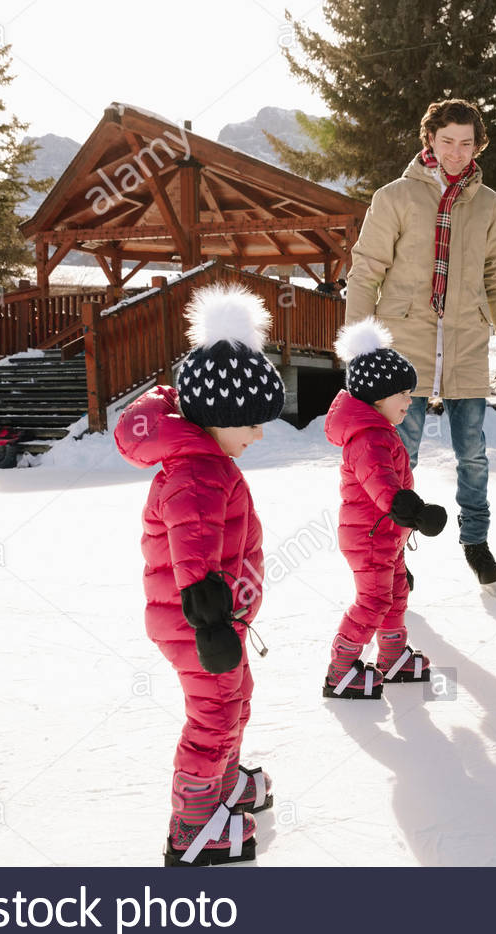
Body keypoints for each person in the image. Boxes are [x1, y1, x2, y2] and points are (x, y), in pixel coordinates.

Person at [114, 284, 286, 865]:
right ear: (221, 416)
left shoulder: (209, 461)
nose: (259, 434)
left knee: (235, 698)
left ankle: (222, 785)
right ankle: (192, 825)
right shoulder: (197, 473)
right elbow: (193, 553)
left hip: (213, 618)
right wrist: (212, 623)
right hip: (197, 622)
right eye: (252, 423)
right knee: (213, 711)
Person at [344, 98, 496, 590]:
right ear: (430, 141)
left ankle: (476, 540)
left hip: (465, 340)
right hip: (405, 345)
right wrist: (360, 344)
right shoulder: (395, 197)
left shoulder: (487, 203)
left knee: (473, 453)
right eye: (448, 142)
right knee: (401, 456)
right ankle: (394, 549)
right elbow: (366, 271)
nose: (457, 153)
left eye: (467, 143)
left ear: (476, 145)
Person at [323, 319, 447, 699]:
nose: (410, 402)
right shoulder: (368, 437)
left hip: (386, 534)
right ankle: (341, 669)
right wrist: (411, 509)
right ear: (377, 397)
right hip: (371, 535)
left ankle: (392, 656)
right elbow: (380, 483)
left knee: (395, 595)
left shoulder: (378, 430)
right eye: (403, 394)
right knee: (374, 600)